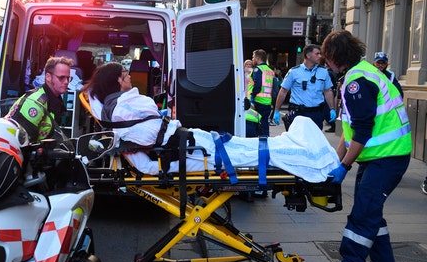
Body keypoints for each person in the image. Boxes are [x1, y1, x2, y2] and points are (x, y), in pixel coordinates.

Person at [82, 62, 340, 183]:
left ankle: (305, 150)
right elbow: (148, 120)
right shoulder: (125, 105)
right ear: (117, 81)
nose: (130, 79)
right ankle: (312, 157)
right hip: (188, 148)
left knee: (246, 148)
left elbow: (146, 139)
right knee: (248, 152)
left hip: (186, 143)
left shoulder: (117, 112)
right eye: (126, 75)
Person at [309, 30, 411, 262]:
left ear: (333, 57)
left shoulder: (357, 81)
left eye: (326, 57)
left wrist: (344, 166)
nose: (325, 63)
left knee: (363, 216)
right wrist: (337, 157)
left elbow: (363, 130)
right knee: (372, 216)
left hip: (387, 158)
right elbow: (351, 129)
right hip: (383, 156)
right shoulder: (361, 73)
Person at [5, 56, 74, 143]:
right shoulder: (35, 103)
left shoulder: (54, 100)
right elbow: (21, 141)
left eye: (68, 78)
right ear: (48, 77)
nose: (66, 82)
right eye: (61, 78)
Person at [273, 44, 336, 130]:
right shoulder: (294, 72)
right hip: (298, 113)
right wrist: (277, 110)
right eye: (317, 54)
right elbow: (283, 91)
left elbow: (328, 91)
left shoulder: (323, 72)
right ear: (308, 55)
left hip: (316, 113)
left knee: (314, 141)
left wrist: (332, 108)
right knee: (297, 140)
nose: (320, 56)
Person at [247, 49, 274, 136]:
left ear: (258, 58)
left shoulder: (258, 69)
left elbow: (257, 85)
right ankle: (266, 142)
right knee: (264, 124)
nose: (252, 59)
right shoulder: (269, 70)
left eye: (253, 57)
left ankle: (260, 143)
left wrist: (252, 97)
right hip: (267, 101)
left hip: (258, 101)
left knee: (256, 125)